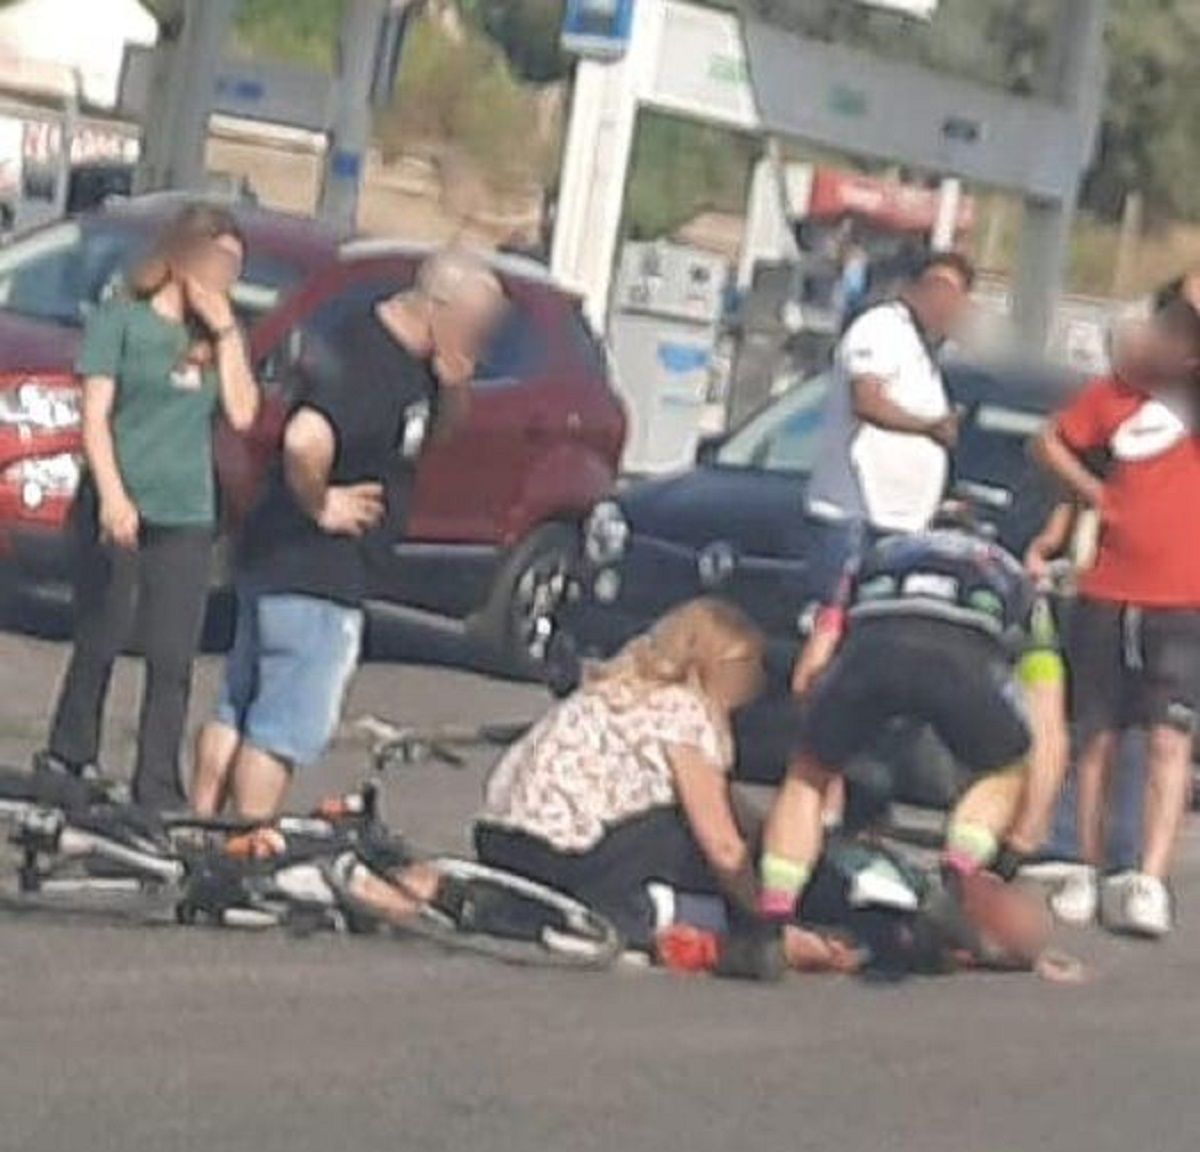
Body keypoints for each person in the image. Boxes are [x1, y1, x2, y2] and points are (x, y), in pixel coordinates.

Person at [330, 598, 859, 974]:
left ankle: (419, 888)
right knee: (688, 840)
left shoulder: (615, 686)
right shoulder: (683, 711)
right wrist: (768, 909)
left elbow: (725, 802)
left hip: (501, 832)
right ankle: (693, 929)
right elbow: (719, 836)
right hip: (571, 854)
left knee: (655, 838)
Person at [191, 249, 505, 820]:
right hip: (313, 572)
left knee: (239, 708)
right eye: (477, 326)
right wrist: (322, 504)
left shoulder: (424, 365)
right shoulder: (367, 361)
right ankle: (239, 851)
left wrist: (455, 385)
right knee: (281, 729)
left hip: (292, 569)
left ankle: (201, 825)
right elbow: (304, 439)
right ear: (441, 308)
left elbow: (432, 436)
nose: (482, 340)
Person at [38, 204, 258, 811]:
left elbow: (242, 414)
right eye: (218, 262)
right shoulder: (124, 321)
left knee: (172, 656)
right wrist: (111, 494)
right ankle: (70, 756)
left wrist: (226, 332)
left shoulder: (216, 337)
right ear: (184, 258)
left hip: (186, 511)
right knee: (102, 636)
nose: (225, 276)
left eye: (235, 267)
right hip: (119, 500)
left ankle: (156, 783)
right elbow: (94, 416)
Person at [755, 527, 1070, 944]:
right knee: (1007, 765)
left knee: (808, 773)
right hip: (962, 656)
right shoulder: (1019, 583)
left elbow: (807, 674)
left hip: (873, 649)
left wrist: (826, 746)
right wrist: (1017, 845)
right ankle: (956, 875)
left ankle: (772, 918)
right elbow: (1048, 723)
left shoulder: (873, 561)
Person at [1032, 288, 1200, 936]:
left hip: (1184, 599)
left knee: (1167, 738)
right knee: (1096, 732)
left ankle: (1148, 878)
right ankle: (1085, 860)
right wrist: (1095, 493)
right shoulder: (1110, 397)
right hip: (1107, 589)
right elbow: (1049, 442)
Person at [802, 251, 973, 597]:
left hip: (899, 523)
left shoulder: (922, 347)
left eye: (955, 295)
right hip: (854, 519)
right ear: (912, 288)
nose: (944, 302)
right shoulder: (881, 328)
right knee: (837, 623)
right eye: (936, 287)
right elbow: (866, 400)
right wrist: (928, 427)